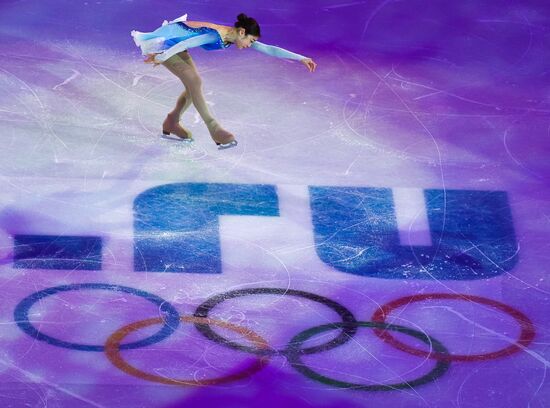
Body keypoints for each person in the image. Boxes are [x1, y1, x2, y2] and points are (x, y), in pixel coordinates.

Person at [131, 13, 317, 148]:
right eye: (250, 41)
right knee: (194, 82)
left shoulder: (231, 36)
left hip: (177, 44)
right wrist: (162, 56)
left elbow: (269, 49)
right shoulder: (216, 34)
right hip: (166, 42)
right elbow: (185, 43)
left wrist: (301, 58)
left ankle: (172, 122)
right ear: (242, 32)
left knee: (193, 85)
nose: (249, 45)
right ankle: (215, 129)